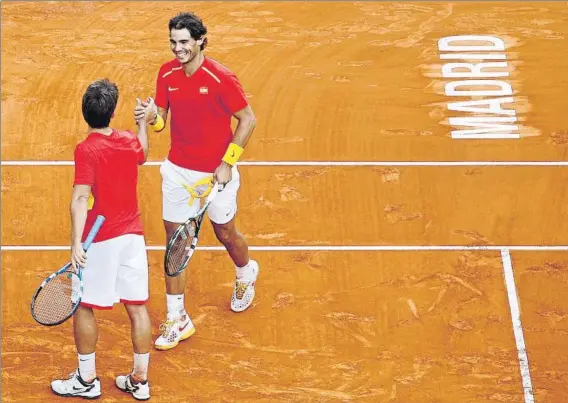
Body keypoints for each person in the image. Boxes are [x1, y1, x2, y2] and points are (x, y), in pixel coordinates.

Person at [134, 11, 258, 351]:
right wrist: (151, 118)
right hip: (177, 171)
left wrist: (227, 162)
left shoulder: (221, 78)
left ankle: (246, 273)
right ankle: (177, 319)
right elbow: (161, 120)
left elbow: (248, 120)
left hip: (217, 175)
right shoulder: (167, 73)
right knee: (176, 245)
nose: (178, 49)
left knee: (225, 234)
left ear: (201, 40)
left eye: (185, 42)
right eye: (174, 42)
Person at [50, 79, 156, 400]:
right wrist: (142, 123)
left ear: (85, 112)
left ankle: (86, 380)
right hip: (133, 239)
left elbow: (80, 198)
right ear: (111, 112)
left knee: (83, 305)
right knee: (137, 308)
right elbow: (144, 153)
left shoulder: (86, 149)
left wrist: (75, 244)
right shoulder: (127, 140)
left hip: (102, 241)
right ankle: (140, 381)